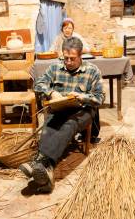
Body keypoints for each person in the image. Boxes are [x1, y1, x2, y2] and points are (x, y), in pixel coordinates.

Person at [20, 37, 103, 192]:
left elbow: (99, 98)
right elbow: (38, 84)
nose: (69, 62)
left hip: (82, 110)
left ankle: (39, 162)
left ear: (80, 57)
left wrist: (82, 97)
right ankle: (47, 170)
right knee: (50, 124)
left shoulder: (92, 71)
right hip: (59, 107)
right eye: (66, 58)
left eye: (73, 59)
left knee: (69, 125)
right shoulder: (55, 68)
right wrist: (51, 92)